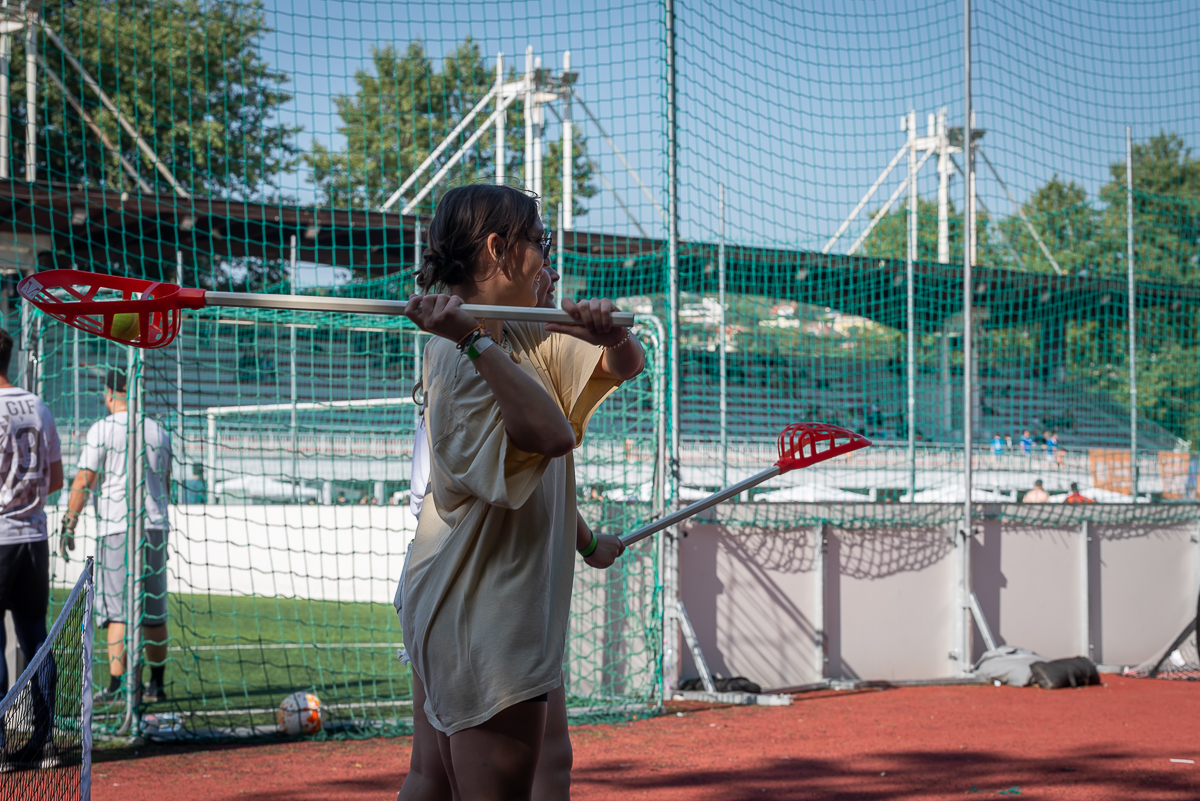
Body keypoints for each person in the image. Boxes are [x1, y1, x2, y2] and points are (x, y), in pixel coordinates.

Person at [401, 184, 643, 798]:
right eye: (540, 242)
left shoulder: (514, 337)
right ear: (496, 248)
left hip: (488, 599)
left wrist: (608, 334)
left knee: (441, 781)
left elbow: (623, 365)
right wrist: (473, 340)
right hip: (481, 609)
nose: (546, 259)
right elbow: (551, 436)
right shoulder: (459, 356)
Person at [61, 369, 172, 704]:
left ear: (109, 393)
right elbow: (166, 482)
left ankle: (116, 686)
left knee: (116, 610)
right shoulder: (158, 430)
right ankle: (157, 685)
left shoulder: (104, 428)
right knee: (154, 610)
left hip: (117, 527)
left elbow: (84, 479)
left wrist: (69, 523)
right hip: (155, 526)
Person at [0, 328, 63, 699]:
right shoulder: (38, 405)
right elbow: (56, 478)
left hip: (1, 536)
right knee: (36, 636)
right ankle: (45, 730)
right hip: (35, 537)